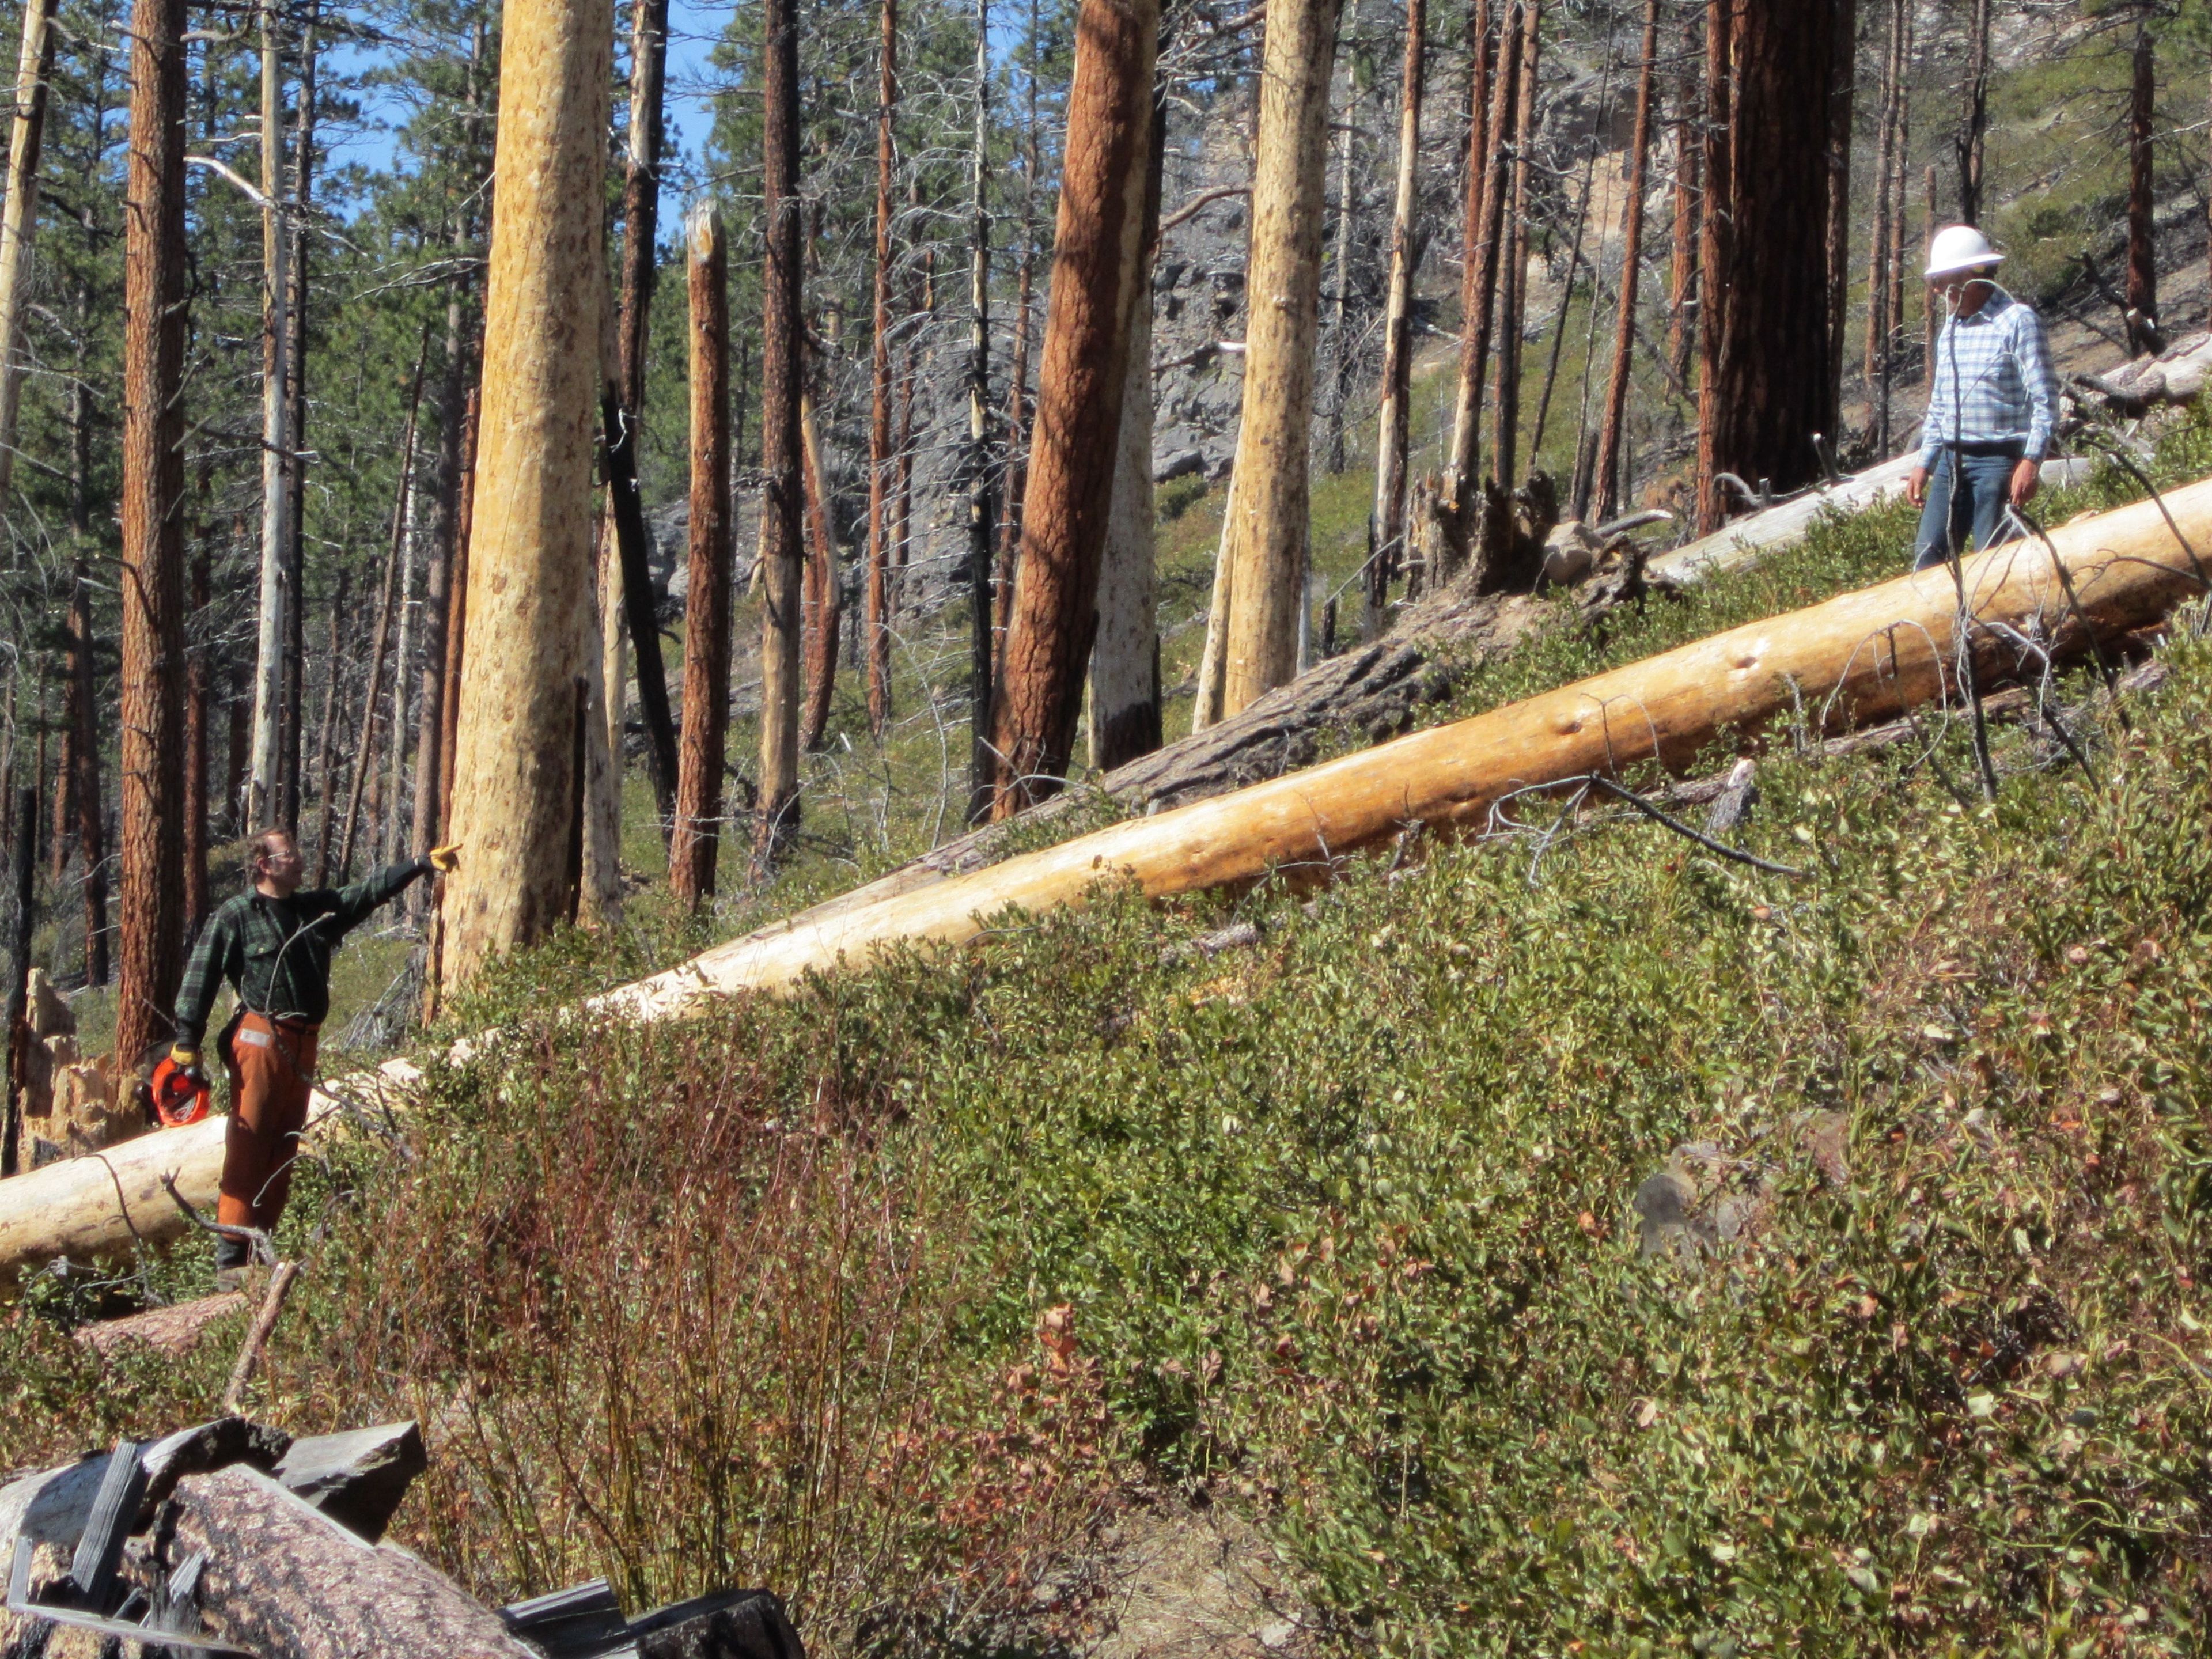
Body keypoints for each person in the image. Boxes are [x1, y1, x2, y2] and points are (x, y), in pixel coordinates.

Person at [166, 830, 460, 1289]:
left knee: (284, 1146)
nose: (300, 861)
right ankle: (230, 1263)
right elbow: (201, 973)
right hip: (260, 1037)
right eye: (290, 855)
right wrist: (187, 1041)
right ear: (264, 864)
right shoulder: (237, 915)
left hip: (305, 1042)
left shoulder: (312, 911)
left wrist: (419, 864)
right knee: (250, 1146)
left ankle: (260, 1254)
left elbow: (364, 893)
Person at [1907, 224, 2061, 572]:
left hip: (1998, 460)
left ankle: (1997, 626)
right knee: (1928, 555)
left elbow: (2045, 398)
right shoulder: (1950, 331)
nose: (1936, 289)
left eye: (1944, 279)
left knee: (1992, 562)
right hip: (1951, 462)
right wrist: (1924, 463)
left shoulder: (2017, 322)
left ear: (1974, 275)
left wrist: (2031, 461)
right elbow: (1941, 404)